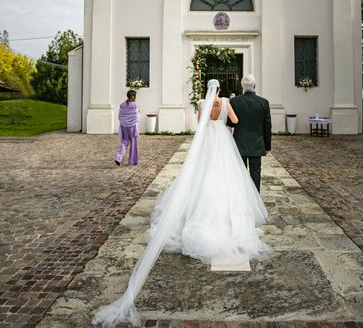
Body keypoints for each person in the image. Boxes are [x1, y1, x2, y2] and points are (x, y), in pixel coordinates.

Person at [92, 79, 269, 328]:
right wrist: (225, 121)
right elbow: (235, 122)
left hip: (207, 143)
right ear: (219, 90)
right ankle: (225, 214)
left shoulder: (201, 103)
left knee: (201, 177)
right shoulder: (227, 102)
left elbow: (200, 123)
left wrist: (210, 118)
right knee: (226, 178)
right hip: (223, 144)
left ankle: (197, 210)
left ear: (207, 89)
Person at [227, 74, 272, 192]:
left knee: (240, 172)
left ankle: (242, 197)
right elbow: (267, 126)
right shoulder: (264, 102)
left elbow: (230, 124)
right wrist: (267, 146)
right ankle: (255, 197)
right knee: (256, 173)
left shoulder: (234, 101)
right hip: (257, 144)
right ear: (255, 86)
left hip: (240, 143)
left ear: (242, 86)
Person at [115, 90, 139, 166]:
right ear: (133, 97)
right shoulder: (135, 105)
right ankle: (132, 161)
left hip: (124, 127)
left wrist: (124, 122)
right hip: (132, 127)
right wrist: (139, 113)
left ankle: (118, 157)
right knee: (133, 143)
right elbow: (136, 117)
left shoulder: (122, 105)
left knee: (124, 141)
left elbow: (120, 116)